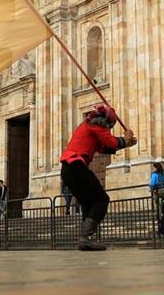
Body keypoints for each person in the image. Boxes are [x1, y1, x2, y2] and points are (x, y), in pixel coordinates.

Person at [60, 104, 137, 251]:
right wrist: (125, 138)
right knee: (102, 199)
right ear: (106, 121)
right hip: (76, 166)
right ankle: (85, 237)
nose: (109, 129)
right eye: (110, 126)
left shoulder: (87, 126)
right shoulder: (96, 126)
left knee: (88, 203)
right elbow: (110, 141)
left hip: (67, 170)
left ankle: (86, 239)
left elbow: (103, 147)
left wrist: (125, 144)